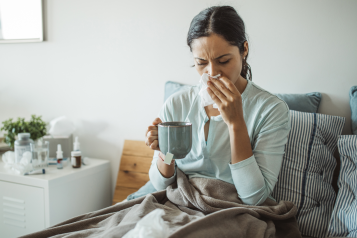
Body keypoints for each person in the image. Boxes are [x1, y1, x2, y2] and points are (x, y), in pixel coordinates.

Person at [145, 6, 291, 206]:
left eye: (223, 60)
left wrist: (236, 123)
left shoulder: (270, 110)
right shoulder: (177, 104)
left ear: (244, 50)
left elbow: (254, 197)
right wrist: (166, 151)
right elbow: (161, 184)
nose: (212, 72)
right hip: (180, 203)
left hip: (232, 210)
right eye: (201, 62)